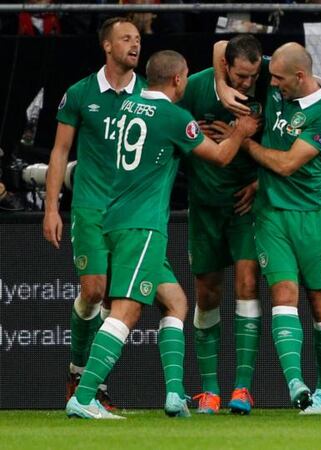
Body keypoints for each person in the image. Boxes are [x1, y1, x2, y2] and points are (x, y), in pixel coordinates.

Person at [65, 50, 258, 419]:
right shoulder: (173, 116)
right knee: (127, 310)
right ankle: (85, 395)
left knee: (175, 302)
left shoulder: (125, 108)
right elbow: (219, 156)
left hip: (112, 217)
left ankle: (174, 394)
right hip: (142, 226)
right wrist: (241, 132)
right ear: (178, 80)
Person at [43, 17, 147, 410]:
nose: (134, 45)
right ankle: (76, 369)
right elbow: (59, 153)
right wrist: (52, 207)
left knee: (116, 301)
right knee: (93, 292)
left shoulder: (150, 95)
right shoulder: (80, 93)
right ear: (107, 46)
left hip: (133, 212)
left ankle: (94, 386)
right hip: (90, 207)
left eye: (137, 39)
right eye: (126, 39)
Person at [242, 42, 321, 415]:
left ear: (300, 77)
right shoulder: (277, 76)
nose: (270, 84)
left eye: (278, 79)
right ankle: (295, 384)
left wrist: (246, 142)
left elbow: (286, 164)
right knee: (283, 293)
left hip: (314, 215)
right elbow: (224, 47)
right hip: (272, 214)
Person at [179, 34, 267, 415]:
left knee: (248, 284)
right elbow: (167, 122)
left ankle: (242, 388)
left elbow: (284, 145)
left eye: (254, 76)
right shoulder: (198, 86)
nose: (248, 83)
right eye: (241, 75)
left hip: (245, 208)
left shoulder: (267, 100)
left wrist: (261, 182)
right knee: (207, 293)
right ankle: (210, 390)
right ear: (226, 67)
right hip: (204, 206)